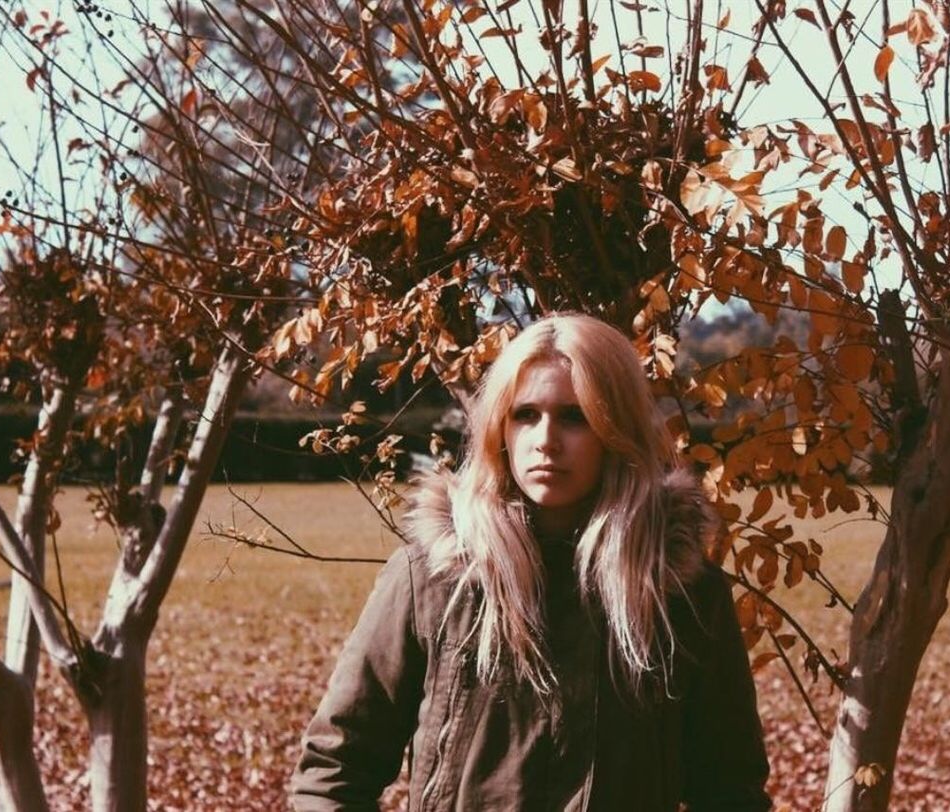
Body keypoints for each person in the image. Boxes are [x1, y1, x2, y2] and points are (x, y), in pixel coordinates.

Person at [291, 313, 770, 811]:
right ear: (500, 427)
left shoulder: (678, 588)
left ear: (616, 427)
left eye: (575, 415)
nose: (546, 439)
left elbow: (729, 787)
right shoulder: (436, 577)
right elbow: (334, 769)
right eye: (526, 414)